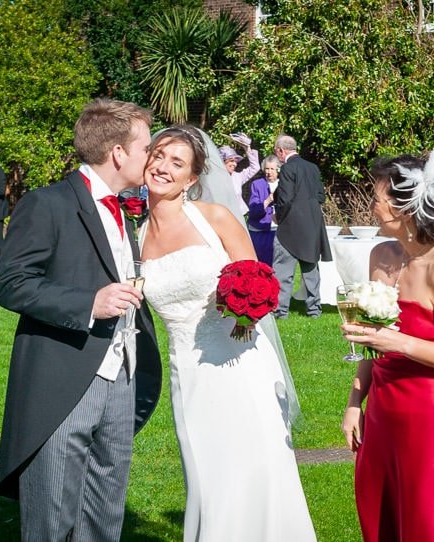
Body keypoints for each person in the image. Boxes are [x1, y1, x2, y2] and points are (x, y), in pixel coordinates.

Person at [0, 98, 162, 541]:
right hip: (64, 378)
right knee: (52, 517)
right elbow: (9, 283)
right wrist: (89, 303)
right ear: (119, 153)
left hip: (123, 375)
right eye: (146, 147)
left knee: (106, 514)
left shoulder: (127, 207)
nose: (152, 156)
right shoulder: (47, 204)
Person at [139, 125, 316, 542]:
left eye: (177, 163)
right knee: (208, 475)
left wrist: (242, 307)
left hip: (240, 363)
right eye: (158, 156)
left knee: (257, 468)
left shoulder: (213, 217)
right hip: (188, 371)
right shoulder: (136, 236)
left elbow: (262, 285)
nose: (163, 167)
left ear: (193, 179)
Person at [341, 152, 434, 541]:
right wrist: (355, 404)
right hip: (383, 411)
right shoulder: (380, 255)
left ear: (404, 207)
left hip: (432, 417)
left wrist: (399, 342)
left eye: (377, 197)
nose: (372, 205)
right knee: (383, 515)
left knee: (433, 523)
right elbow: (374, 341)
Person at [272, 134, 332, 319]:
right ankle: (314, 310)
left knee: (283, 271)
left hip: (290, 227)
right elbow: (321, 197)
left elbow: (285, 199)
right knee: (311, 271)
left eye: (277, 153)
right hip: (313, 225)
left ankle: (280, 311)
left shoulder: (288, 168)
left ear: (281, 151)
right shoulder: (312, 168)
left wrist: (278, 217)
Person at [247, 154, 281, 265]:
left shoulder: (283, 184)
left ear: (278, 169)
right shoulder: (257, 185)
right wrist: (267, 200)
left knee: (278, 266)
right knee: (261, 266)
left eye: (272, 169)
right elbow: (253, 212)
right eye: (267, 168)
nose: (269, 172)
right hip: (260, 231)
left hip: (278, 231)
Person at [218, 132, 259, 215]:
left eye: (236, 161)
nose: (235, 164)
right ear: (222, 162)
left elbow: (255, 167)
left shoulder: (237, 177)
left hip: (238, 217)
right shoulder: (214, 178)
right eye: (231, 161)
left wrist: (247, 148)